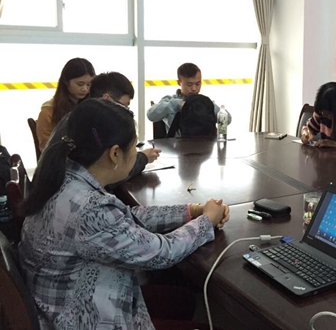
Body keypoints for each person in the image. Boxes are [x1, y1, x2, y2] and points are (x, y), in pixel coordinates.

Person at [19, 99, 229, 329]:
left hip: (61, 307)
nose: (137, 153)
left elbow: (125, 217)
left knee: (183, 301)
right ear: (115, 153)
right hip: (82, 318)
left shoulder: (63, 179)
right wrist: (207, 221)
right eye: (134, 147)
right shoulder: (90, 209)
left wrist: (191, 211)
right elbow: (162, 252)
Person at [44, 72, 161, 181]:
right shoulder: (91, 125)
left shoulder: (81, 116)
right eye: (125, 106)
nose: (126, 112)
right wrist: (144, 158)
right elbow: (109, 171)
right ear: (106, 99)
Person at [147, 62, 231, 134]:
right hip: (177, 145)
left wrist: (211, 108)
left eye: (198, 84)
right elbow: (151, 115)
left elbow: (227, 120)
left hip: (204, 144)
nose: (194, 88)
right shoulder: (170, 101)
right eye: (189, 84)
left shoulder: (203, 102)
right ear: (179, 82)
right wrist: (177, 104)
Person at [36, 58, 95, 151]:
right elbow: (47, 148)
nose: (85, 89)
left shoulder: (92, 106)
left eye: (89, 85)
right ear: (66, 81)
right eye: (80, 84)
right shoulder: (49, 112)